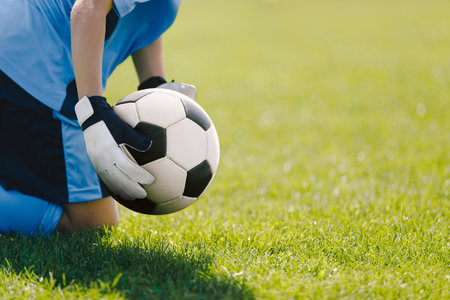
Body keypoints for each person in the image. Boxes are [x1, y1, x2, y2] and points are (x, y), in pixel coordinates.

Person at [0, 0, 192, 235]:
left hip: (23, 52)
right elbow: (88, 7)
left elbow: (139, 11)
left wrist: (153, 82)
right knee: (92, 223)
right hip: (34, 67)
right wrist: (93, 112)